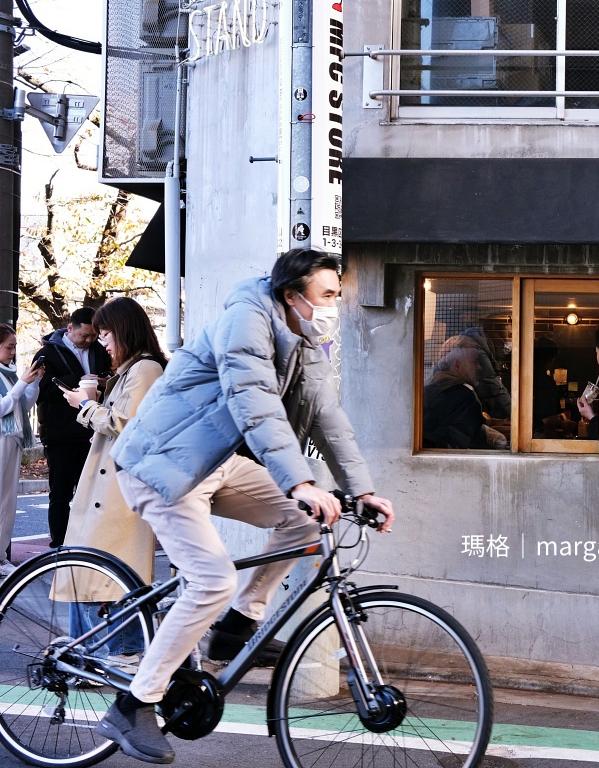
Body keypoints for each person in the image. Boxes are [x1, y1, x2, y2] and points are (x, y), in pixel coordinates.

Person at [97, 249, 395, 765]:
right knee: (212, 579)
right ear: (291, 295)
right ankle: (133, 704)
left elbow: (328, 416)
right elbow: (252, 399)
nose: (333, 306)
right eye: (326, 295)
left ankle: (236, 625)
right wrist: (299, 479)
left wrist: (362, 490)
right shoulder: (246, 319)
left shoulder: (305, 340)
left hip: (211, 462)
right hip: (160, 463)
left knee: (304, 519)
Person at [52, 298, 166, 658]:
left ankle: (115, 654)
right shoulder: (132, 370)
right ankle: (91, 653)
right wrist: (96, 400)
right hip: (109, 488)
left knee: (107, 575)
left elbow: (128, 427)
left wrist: (86, 406)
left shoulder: (145, 370)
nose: (103, 342)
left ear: (125, 331)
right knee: (94, 570)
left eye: (106, 334)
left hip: (118, 492)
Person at [35, 307, 111, 547]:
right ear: (70, 328)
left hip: (93, 430)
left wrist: (104, 381)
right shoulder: (47, 353)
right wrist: (76, 383)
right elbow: (41, 391)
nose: (89, 340)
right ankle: (59, 542)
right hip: (60, 433)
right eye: (84, 335)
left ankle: (88, 540)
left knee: (93, 491)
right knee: (61, 492)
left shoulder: (100, 350)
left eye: (94, 336)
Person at [0, 324, 43, 575]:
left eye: (15, 346)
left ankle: (1, 555)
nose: (13, 352)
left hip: (12, 439)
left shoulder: (10, 374)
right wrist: (21, 384)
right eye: (9, 346)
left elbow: (21, 407)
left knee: (8, 501)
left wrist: (33, 383)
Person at [421, 339, 488, 449]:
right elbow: (465, 445)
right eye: (475, 361)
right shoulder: (465, 397)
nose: (479, 367)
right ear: (457, 365)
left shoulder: (424, 390)